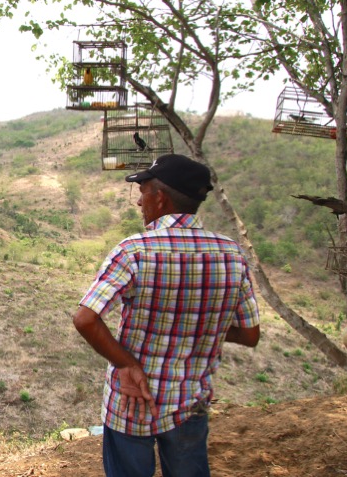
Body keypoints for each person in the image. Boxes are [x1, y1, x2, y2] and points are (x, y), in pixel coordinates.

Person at [72, 154, 260, 477]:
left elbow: (85, 319)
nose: (139, 202)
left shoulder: (135, 250)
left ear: (160, 198)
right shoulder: (232, 254)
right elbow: (249, 334)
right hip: (189, 404)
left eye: (142, 192)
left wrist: (127, 364)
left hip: (132, 403)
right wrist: (203, 324)